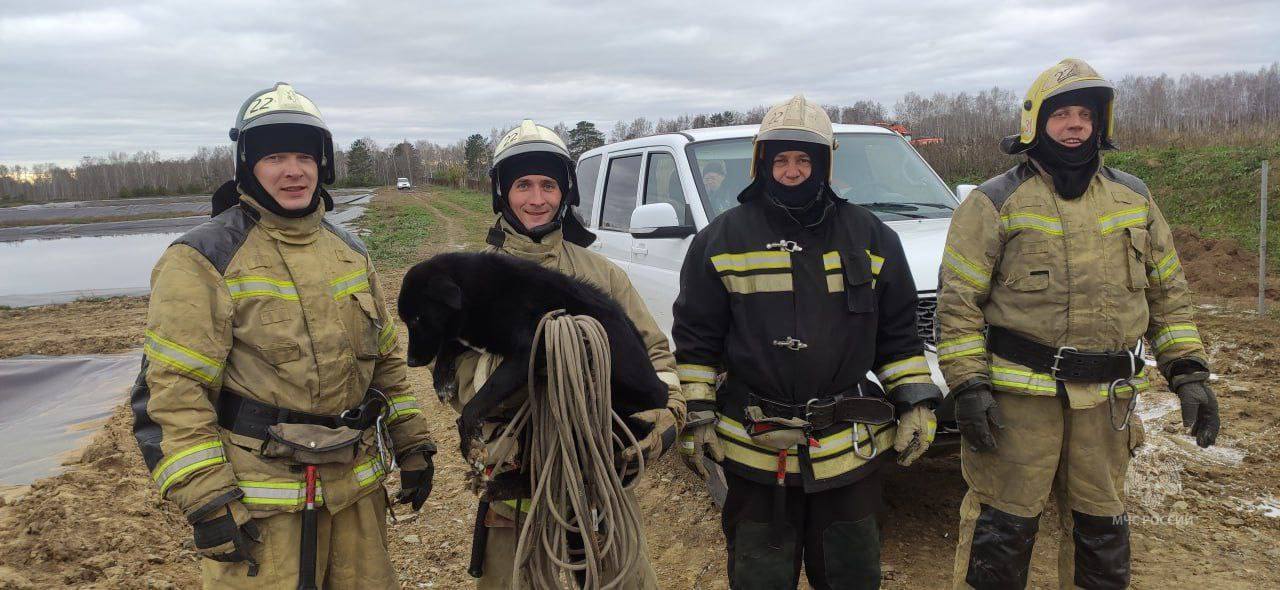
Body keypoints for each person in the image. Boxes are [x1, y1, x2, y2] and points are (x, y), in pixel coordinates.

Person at [131, 82, 436, 589]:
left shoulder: (349, 251)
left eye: (304, 156)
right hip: (263, 512)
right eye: (275, 156)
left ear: (323, 164)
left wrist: (413, 443)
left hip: (356, 498)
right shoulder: (202, 258)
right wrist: (208, 500)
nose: (293, 170)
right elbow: (174, 391)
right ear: (248, 166)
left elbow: (386, 366)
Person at [937, 59, 1222, 589]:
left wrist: (1189, 373)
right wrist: (969, 385)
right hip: (1019, 404)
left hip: (1106, 406)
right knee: (1002, 531)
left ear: (1100, 124)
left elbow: (1169, 293)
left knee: (1102, 531)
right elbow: (957, 303)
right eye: (1062, 114)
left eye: (1084, 115)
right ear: (1035, 123)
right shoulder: (993, 202)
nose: (1074, 124)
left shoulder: (1133, 198)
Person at [673, 95, 942, 589]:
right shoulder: (720, 239)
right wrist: (698, 413)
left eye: (804, 159)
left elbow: (898, 335)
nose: (792, 171)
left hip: (848, 452)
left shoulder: (871, 236)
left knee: (851, 576)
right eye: (781, 160)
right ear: (762, 164)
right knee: (760, 578)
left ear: (823, 164)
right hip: (756, 452)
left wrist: (917, 402)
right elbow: (696, 340)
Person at [442, 120, 685, 589]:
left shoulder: (601, 275)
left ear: (564, 192)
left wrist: (663, 420)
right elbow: (452, 380)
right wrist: (522, 368)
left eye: (548, 185)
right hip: (516, 494)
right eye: (523, 185)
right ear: (501, 193)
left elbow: (655, 354)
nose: (537, 199)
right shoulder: (469, 282)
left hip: (602, 489)